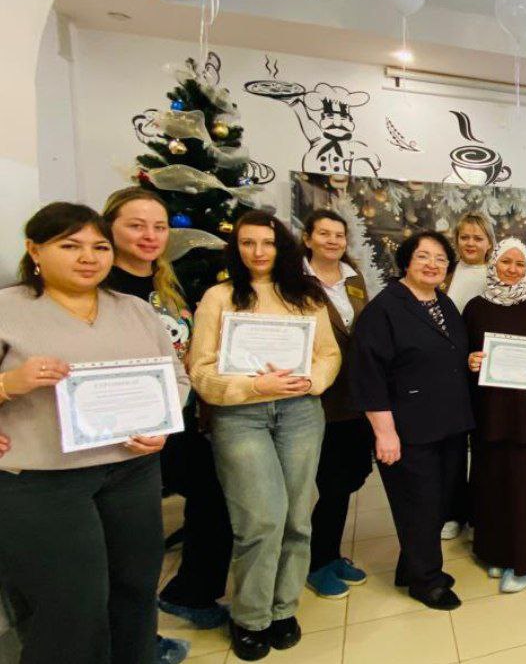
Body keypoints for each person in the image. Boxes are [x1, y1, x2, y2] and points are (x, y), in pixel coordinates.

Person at [0, 202, 189, 664]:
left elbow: (176, 378)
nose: (88, 257)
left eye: (99, 247)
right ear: (34, 250)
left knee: (135, 589)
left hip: (131, 472)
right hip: (43, 480)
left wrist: (163, 424)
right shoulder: (8, 309)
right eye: (70, 246)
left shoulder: (134, 310)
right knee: (70, 604)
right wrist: (10, 384)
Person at [187, 211, 341, 661]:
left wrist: (311, 381)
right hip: (241, 416)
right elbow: (200, 369)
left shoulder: (305, 295)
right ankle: (250, 617)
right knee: (261, 519)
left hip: (300, 413)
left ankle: (283, 608)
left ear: (282, 247)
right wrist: (252, 387)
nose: (258, 252)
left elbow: (329, 354)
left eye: (268, 243)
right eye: (248, 243)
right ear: (235, 248)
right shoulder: (218, 297)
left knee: (297, 516)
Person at [102, 187, 221, 663]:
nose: (149, 236)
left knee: (213, 499)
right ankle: (130, 642)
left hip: (179, 420)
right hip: (125, 432)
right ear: (109, 227)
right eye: (136, 225)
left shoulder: (166, 283)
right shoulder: (101, 286)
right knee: (129, 542)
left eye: (159, 226)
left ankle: (190, 592)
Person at [349, 231, 475, 611]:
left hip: (449, 424)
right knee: (418, 505)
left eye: (440, 259)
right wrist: (384, 433)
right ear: (406, 261)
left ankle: (411, 567)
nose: (432, 264)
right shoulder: (385, 309)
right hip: (409, 429)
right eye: (423, 256)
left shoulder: (442, 303)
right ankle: (427, 582)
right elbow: (368, 376)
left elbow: (450, 354)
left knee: (438, 502)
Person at [464, 238, 526, 593]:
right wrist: (469, 361)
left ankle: (524, 562)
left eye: (519, 264)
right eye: (505, 262)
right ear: (493, 264)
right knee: (490, 483)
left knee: (524, 489)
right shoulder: (476, 307)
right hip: (489, 411)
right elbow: (463, 354)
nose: (512, 269)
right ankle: (493, 551)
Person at [299, 210, 374, 600]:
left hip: (353, 395)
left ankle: (328, 553)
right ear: (308, 238)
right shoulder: (294, 280)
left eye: (338, 235)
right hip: (314, 396)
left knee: (347, 479)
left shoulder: (353, 278)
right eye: (324, 234)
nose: (332, 241)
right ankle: (315, 562)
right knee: (328, 482)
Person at [441, 212, 496, 540]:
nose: (471, 243)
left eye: (478, 238)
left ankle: (481, 511)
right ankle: (453, 512)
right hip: (449, 374)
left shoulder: (498, 275)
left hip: (489, 371)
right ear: (456, 240)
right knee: (453, 446)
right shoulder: (444, 274)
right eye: (465, 237)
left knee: (486, 444)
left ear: (489, 242)